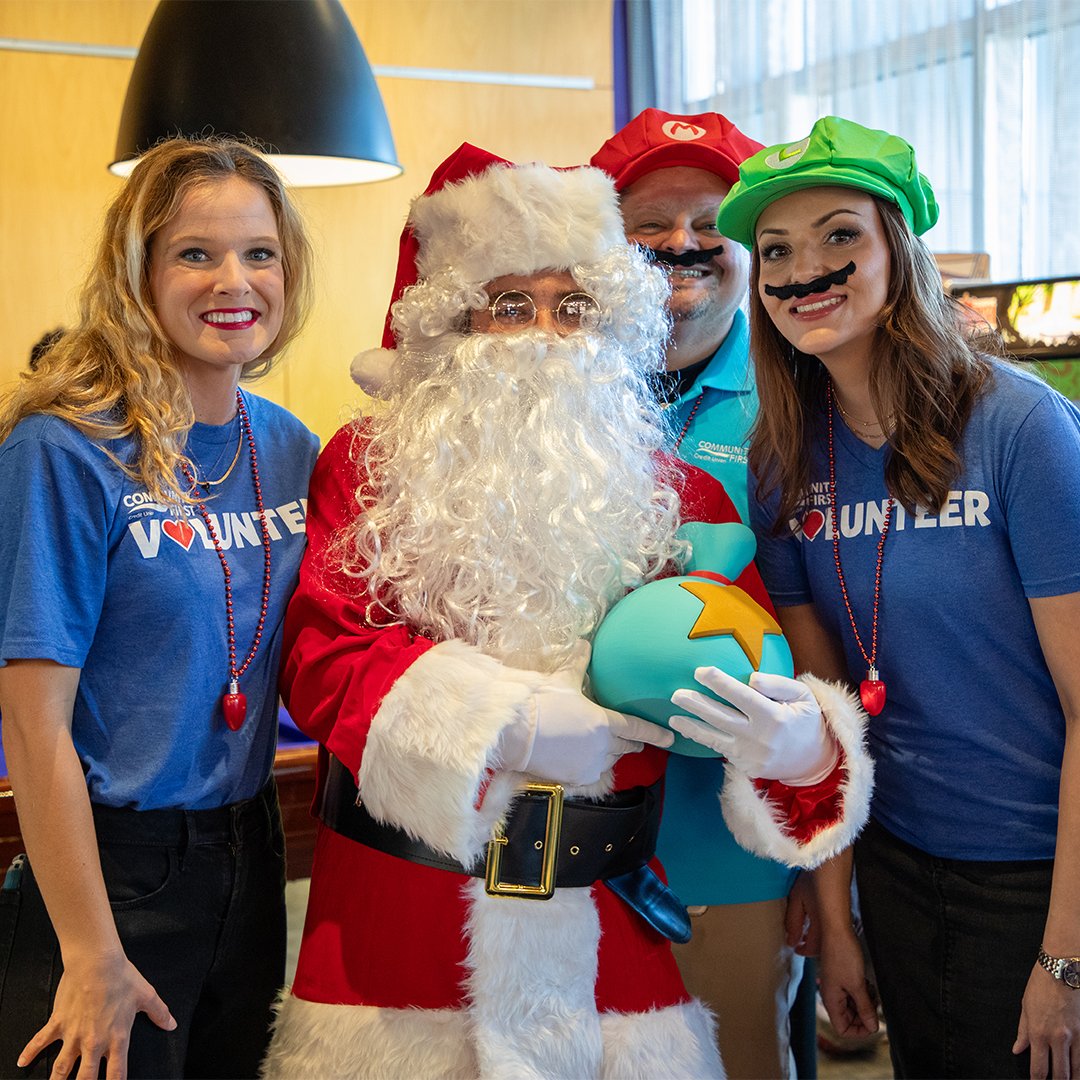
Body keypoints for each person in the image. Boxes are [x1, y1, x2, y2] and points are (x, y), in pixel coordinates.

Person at [263, 144, 872, 1079]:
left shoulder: (674, 495)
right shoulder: (366, 462)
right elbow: (322, 654)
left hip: (613, 939)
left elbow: (750, 669)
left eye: (575, 305)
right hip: (401, 929)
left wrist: (802, 751)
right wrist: (507, 724)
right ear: (454, 323)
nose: (549, 332)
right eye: (512, 304)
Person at [717, 114, 1080, 1079]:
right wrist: (838, 923)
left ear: (897, 253)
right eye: (776, 250)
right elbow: (824, 719)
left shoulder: (1020, 429)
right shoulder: (784, 462)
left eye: (841, 235)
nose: (805, 270)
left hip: (1041, 872)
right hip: (897, 864)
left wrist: (1065, 958)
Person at [0, 137, 320, 1079]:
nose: (236, 280)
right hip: (115, 871)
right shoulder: (63, 448)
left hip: (252, 850)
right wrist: (92, 952)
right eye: (196, 252)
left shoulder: (290, 446)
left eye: (260, 252)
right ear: (136, 269)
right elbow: (34, 723)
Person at [591, 108, 817, 1080]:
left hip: (740, 848)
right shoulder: (563, 387)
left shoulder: (802, 392)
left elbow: (833, 635)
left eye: (708, 221)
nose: (683, 243)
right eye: (651, 223)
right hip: (580, 842)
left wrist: (822, 859)